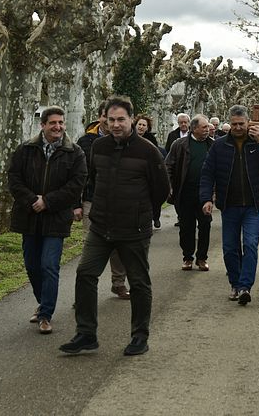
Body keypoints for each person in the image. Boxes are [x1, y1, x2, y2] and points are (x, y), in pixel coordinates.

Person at [60, 97, 170, 356]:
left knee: (139, 283)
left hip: (134, 230)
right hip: (101, 227)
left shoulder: (148, 150)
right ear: (105, 120)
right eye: (111, 120)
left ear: (131, 119)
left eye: (121, 119)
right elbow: (92, 179)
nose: (116, 124)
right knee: (85, 274)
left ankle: (139, 336)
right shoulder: (98, 147)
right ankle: (86, 334)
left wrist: (141, 213)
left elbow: (161, 189)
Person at [8, 106, 87, 335]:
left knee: (49, 265)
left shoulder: (75, 153)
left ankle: (45, 315)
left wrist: (48, 201)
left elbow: (76, 184)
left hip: (56, 218)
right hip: (29, 216)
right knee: (32, 265)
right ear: (42, 125)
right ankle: (43, 302)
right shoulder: (25, 149)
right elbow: (14, 179)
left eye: (61, 123)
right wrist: (33, 200)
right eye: (53, 123)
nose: (58, 127)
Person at [200, 105, 259, 305]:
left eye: (242, 124)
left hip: (253, 205)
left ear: (248, 122)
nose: (238, 127)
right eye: (234, 124)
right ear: (230, 124)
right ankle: (235, 283)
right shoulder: (219, 145)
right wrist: (206, 198)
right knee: (230, 248)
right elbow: (207, 173)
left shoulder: (257, 142)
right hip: (229, 205)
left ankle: (244, 287)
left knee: (250, 244)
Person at [77, 102, 129, 299]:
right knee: (91, 246)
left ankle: (119, 283)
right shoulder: (86, 141)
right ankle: (86, 292)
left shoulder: (127, 140)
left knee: (118, 245)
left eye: (115, 118)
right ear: (100, 117)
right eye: (107, 117)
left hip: (119, 203)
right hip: (92, 199)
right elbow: (80, 174)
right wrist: (76, 204)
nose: (111, 122)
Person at [166, 114, 214, 272]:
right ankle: (187, 257)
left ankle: (202, 258)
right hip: (185, 193)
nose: (207, 129)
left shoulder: (212, 145)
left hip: (204, 194)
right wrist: (169, 186)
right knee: (186, 227)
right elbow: (168, 166)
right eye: (204, 127)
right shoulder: (179, 145)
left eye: (207, 126)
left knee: (205, 225)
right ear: (194, 128)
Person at [135, 113, 163, 229]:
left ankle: (155, 217)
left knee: (152, 197)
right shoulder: (130, 137)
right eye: (139, 124)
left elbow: (156, 156)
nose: (141, 127)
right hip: (135, 172)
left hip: (148, 172)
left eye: (144, 125)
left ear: (147, 128)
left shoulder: (151, 140)